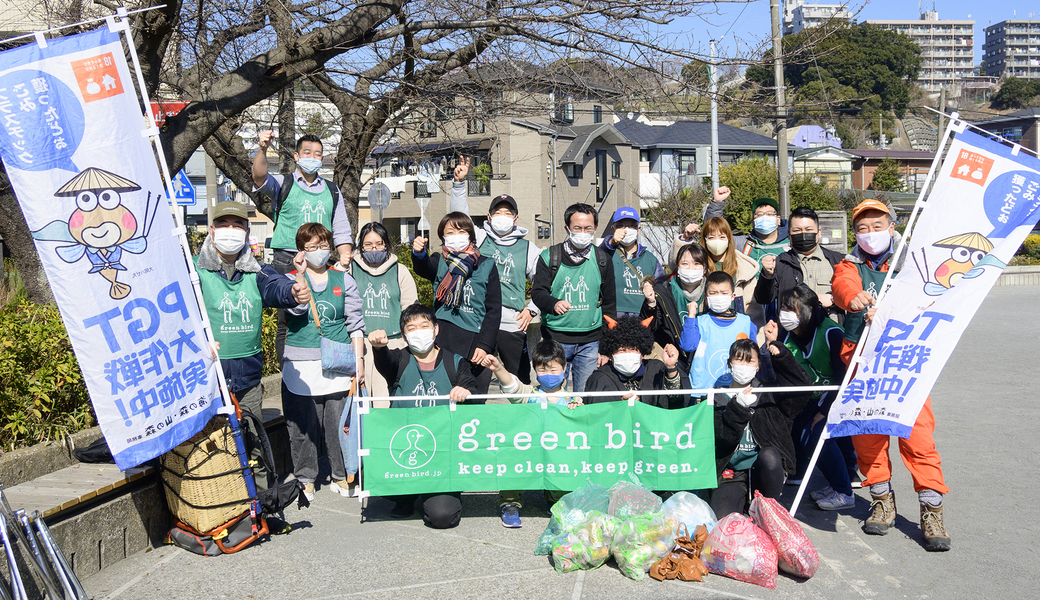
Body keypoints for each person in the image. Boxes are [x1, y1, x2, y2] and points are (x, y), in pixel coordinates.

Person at [831, 199, 950, 551]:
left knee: (917, 434)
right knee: (867, 433)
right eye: (862, 228)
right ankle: (882, 500)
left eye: (877, 226)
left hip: (905, 361)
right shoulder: (850, 264)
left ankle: (932, 508)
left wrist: (891, 313)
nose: (870, 234)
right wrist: (854, 299)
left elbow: (933, 296)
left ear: (892, 227)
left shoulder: (915, 263)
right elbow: (843, 286)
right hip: (863, 359)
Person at [195, 201, 310, 491]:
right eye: (224, 224)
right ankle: (223, 505)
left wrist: (292, 291)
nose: (230, 230)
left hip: (247, 376)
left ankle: (262, 501)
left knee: (254, 443)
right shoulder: (194, 272)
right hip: (207, 377)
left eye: (237, 225)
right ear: (212, 230)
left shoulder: (257, 270)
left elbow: (275, 286)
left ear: (247, 232)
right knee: (208, 448)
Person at [369, 303, 476, 528]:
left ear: (436, 329)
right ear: (404, 336)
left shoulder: (455, 362)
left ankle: (437, 493)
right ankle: (405, 498)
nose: (419, 332)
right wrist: (378, 348)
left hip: (442, 455)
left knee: (442, 516)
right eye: (411, 328)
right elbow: (385, 361)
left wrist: (465, 391)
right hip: (404, 450)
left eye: (424, 326)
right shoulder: (399, 360)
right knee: (375, 471)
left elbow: (472, 392)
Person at [252, 131, 354, 360]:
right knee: (287, 320)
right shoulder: (284, 183)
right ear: (297, 156)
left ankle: (323, 359)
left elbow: (341, 227)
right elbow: (259, 178)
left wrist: (345, 256)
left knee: (327, 311)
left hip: (322, 259)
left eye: (318, 154)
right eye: (307, 152)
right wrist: (262, 148)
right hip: (288, 259)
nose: (313, 157)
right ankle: (289, 367)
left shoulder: (331, 190)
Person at [282, 223, 366, 501]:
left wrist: (359, 361)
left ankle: (342, 474)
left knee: (338, 424)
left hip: (338, 362)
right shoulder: (289, 280)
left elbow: (355, 323)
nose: (318, 251)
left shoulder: (344, 280)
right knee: (303, 427)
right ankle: (305, 478)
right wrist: (300, 274)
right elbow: (297, 309)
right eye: (311, 246)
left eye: (323, 245)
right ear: (301, 250)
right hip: (301, 365)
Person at [448, 159, 542, 385]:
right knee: (473, 380)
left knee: (519, 381)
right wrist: (459, 184)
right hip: (479, 322)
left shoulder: (528, 248)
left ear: (515, 219)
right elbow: (459, 219)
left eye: (508, 213)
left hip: (512, 324)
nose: (502, 216)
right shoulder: (480, 239)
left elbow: (544, 282)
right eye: (497, 212)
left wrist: (532, 309)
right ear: (489, 217)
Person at [710, 329, 811, 518]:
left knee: (770, 456)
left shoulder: (769, 394)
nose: (744, 366)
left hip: (762, 471)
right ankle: (743, 506)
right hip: (731, 473)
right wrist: (738, 408)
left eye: (750, 361)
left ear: (758, 367)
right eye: (739, 360)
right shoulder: (717, 397)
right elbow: (723, 439)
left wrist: (781, 355)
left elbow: (802, 389)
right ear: (729, 364)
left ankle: (768, 508)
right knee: (722, 520)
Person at [776, 284, 857, 511]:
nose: (785, 314)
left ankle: (844, 492)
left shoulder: (832, 333)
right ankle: (835, 484)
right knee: (805, 438)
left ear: (809, 311)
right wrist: (771, 343)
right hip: (811, 397)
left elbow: (843, 376)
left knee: (819, 437)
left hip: (835, 396)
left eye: (791, 309)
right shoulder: (787, 333)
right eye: (783, 308)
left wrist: (825, 410)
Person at [484, 341, 581, 528]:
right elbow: (512, 386)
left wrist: (577, 410)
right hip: (528, 452)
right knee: (513, 462)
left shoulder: (574, 399)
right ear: (535, 370)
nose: (548, 374)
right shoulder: (529, 394)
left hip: (558, 456)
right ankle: (510, 503)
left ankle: (555, 500)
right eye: (542, 370)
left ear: (564, 368)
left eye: (553, 370)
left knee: (564, 480)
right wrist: (498, 368)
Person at [411, 212, 502, 395]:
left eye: (461, 231)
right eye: (450, 232)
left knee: (473, 399)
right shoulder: (440, 261)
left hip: (475, 343)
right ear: (443, 237)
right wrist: (419, 253)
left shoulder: (486, 265)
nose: (456, 236)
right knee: (444, 397)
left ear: (470, 235)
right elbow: (424, 267)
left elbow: (493, 310)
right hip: (445, 340)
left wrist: (485, 345)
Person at [531, 203, 617, 393]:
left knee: (585, 396)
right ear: (567, 228)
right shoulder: (549, 257)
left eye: (588, 228)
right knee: (553, 394)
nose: (583, 232)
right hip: (555, 339)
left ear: (595, 228)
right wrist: (553, 304)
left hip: (591, 342)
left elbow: (610, 306)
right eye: (577, 228)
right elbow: (538, 293)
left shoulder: (603, 260)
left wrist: (606, 347)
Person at [350, 222, 418, 404]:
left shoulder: (400, 271)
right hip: (359, 346)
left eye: (379, 244)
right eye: (368, 244)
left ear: (386, 244)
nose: (374, 249)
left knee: (387, 403)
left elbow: (410, 310)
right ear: (361, 246)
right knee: (361, 405)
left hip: (393, 345)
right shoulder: (350, 269)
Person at [755, 206, 844, 322]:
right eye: (797, 230)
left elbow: (853, 295)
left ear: (819, 232)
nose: (803, 234)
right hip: (792, 331)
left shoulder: (839, 261)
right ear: (789, 235)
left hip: (832, 329)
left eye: (808, 229)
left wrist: (833, 299)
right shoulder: (780, 263)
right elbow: (763, 299)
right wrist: (767, 275)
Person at [679, 271, 756, 398]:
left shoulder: (746, 323)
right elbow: (687, 346)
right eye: (713, 293)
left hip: (735, 392)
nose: (719, 297)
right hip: (702, 392)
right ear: (706, 297)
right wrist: (691, 316)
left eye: (724, 293)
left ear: (733, 296)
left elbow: (754, 356)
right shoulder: (700, 321)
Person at [584, 316, 689, 407]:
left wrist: (671, 369)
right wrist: (620, 406)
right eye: (622, 350)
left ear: (642, 353)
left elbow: (677, 402)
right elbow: (597, 415)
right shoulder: (600, 378)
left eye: (633, 349)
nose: (628, 354)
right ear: (610, 355)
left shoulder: (656, 370)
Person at [675, 214, 760, 323]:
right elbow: (678, 263)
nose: (717, 241)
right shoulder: (698, 264)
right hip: (705, 326)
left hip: (737, 328)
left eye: (722, 237)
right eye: (711, 237)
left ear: (729, 239)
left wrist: (756, 332)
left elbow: (753, 309)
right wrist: (684, 239)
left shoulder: (744, 269)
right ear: (705, 240)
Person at [640, 242, 710, 372]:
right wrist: (650, 304)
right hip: (670, 356)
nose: (691, 268)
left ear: (705, 268)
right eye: (685, 263)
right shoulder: (662, 290)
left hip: (705, 358)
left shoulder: (713, 290)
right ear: (677, 266)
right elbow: (648, 328)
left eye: (697, 264)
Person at [600, 207, 664, 318]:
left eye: (631, 226)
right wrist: (611, 243)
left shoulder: (651, 259)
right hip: (612, 317)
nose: (626, 229)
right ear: (613, 229)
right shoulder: (606, 255)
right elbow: (596, 259)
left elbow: (662, 291)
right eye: (621, 226)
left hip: (642, 317)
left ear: (638, 229)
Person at [702, 187, 790, 264]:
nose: (765, 218)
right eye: (759, 215)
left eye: (769, 214)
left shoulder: (791, 242)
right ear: (753, 222)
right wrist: (717, 203)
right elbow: (713, 229)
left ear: (778, 220)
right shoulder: (742, 244)